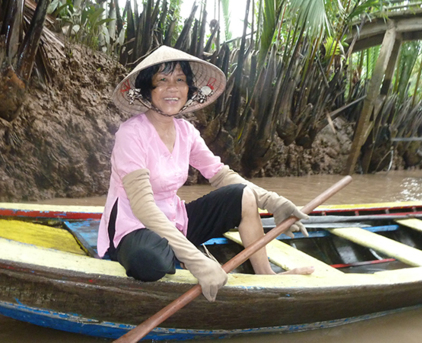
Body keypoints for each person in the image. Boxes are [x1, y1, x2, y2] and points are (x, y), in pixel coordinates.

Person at [98, 46, 313, 302]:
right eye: (162, 81)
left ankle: (265, 274)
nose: (172, 89)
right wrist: (197, 261)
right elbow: (143, 207)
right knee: (148, 262)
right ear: (148, 90)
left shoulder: (186, 132)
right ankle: (177, 256)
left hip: (175, 222)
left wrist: (274, 202)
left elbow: (221, 175)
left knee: (242, 195)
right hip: (134, 225)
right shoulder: (131, 134)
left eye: (180, 80)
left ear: (189, 89)